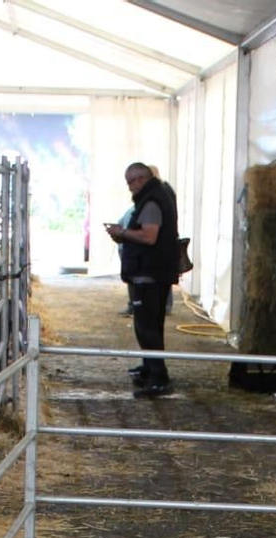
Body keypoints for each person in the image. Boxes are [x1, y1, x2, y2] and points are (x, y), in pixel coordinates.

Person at [104, 161, 183, 399]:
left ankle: (158, 377)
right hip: (155, 272)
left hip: (149, 273)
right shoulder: (158, 196)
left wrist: (122, 233)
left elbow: (149, 236)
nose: (129, 187)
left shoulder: (151, 201)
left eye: (131, 182)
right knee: (151, 324)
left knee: (146, 327)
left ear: (141, 179)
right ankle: (150, 368)